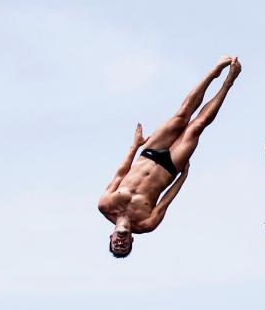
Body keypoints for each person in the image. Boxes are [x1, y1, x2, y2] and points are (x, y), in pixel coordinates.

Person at [98, 55, 241, 257]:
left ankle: (214, 71)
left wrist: (135, 145)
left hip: (148, 154)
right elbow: (167, 200)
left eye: (116, 245)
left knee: (182, 115)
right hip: (170, 168)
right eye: (125, 246)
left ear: (111, 238)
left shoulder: (105, 204)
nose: (120, 243)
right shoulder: (146, 223)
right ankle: (229, 82)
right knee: (196, 127)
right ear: (132, 240)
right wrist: (183, 177)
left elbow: (121, 172)